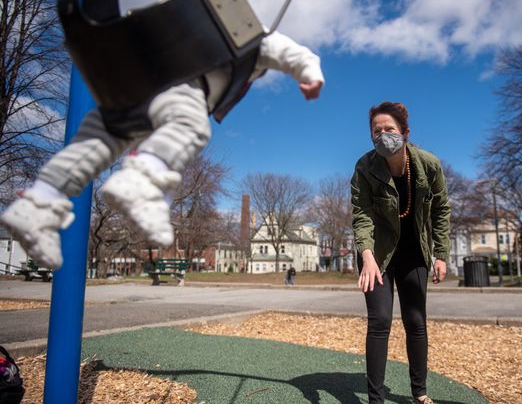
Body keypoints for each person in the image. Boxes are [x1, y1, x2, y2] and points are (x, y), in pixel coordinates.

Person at [0, 21, 324, 270]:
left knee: (99, 139)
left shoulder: (174, 3)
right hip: (181, 79)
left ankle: (39, 203)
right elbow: (294, 52)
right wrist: (310, 73)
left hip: (132, 78)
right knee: (191, 124)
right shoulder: (248, 30)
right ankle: (142, 182)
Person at [350, 102, 450, 404]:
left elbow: (442, 210)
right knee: (379, 320)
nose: (383, 136)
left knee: (415, 320)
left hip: (414, 252)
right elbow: (361, 214)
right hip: (377, 255)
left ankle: (419, 392)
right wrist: (367, 257)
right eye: (376, 131)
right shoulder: (365, 167)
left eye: (389, 129)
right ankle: (375, 400)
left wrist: (441, 253)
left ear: (405, 133)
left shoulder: (428, 164)